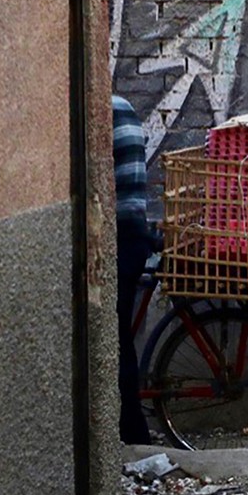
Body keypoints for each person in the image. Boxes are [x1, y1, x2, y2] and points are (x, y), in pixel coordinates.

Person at [114, 95, 156, 444]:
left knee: (116, 340)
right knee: (121, 335)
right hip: (136, 232)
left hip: (122, 235)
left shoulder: (103, 112)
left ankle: (133, 432)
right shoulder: (124, 106)